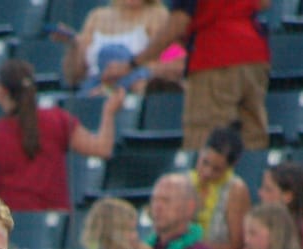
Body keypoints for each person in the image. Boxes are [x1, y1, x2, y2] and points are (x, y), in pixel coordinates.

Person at [110, 0, 271, 151]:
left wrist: (135, 63)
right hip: (255, 54)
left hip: (214, 55)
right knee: (253, 139)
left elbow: (179, 22)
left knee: (205, 141)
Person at [0, 59, 123, 213]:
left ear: (1, 91)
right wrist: (109, 113)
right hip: (55, 224)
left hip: (12, 224)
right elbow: (103, 148)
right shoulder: (58, 120)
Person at [57, 0, 178, 95]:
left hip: (134, 88)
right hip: (94, 89)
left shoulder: (158, 15)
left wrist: (115, 82)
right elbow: (73, 77)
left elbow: (172, 62)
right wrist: (73, 43)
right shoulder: (96, 16)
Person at [189, 125, 251, 249]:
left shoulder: (235, 190)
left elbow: (235, 248)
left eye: (216, 169)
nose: (207, 173)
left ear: (230, 167)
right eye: (204, 163)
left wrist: (195, 246)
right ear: (200, 152)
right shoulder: (185, 183)